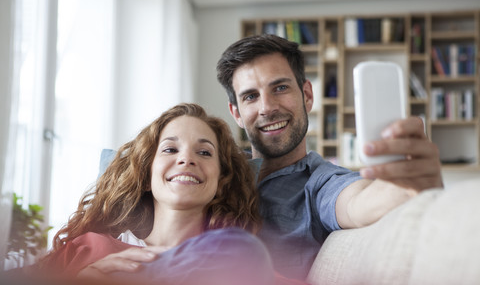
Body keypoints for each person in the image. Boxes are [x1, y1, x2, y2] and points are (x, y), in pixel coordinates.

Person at [216, 34, 444, 280]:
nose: (267, 108)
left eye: (280, 88)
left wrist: (406, 186)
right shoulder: (215, 168)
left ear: (307, 95)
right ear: (236, 113)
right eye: (251, 96)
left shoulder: (321, 183)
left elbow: (356, 203)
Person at [15, 103, 275, 285]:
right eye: (170, 150)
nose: (186, 158)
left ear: (221, 181)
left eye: (204, 152)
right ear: (147, 176)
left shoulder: (239, 259)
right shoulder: (89, 247)